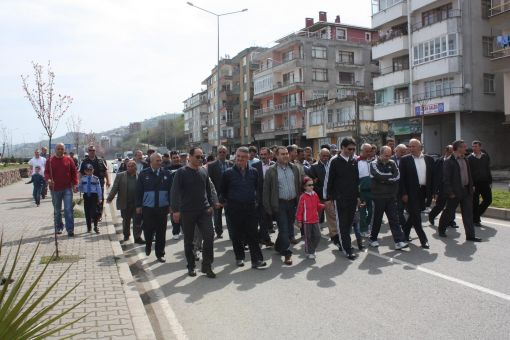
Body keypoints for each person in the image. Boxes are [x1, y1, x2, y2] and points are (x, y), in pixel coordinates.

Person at [170, 147, 216, 278]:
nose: (200, 159)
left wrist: (211, 205)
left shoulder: (203, 171)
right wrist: (176, 211)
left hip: (204, 210)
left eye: (202, 157)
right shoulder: (181, 172)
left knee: (209, 236)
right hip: (187, 212)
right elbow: (175, 192)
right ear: (189, 157)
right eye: (197, 157)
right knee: (189, 241)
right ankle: (191, 266)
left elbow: (208, 189)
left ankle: (207, 266)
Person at [221, 147, 266, 268]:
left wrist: (256, 201)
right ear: (235, 157)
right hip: (234, 209)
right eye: (238, 156)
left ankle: (256, 260)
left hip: (250, 208)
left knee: (253, 234)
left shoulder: (254, 172)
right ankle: (239, 257)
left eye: (243, 157)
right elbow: (223, 191)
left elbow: (257, 188)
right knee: (236, 235)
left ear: (247, 158)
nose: (240, 159)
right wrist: (227, 203)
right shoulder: (228, 173)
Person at [263, 146, 303, 265]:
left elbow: (298, 185)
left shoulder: (295, 168)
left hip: (292, 203)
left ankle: (278, 246)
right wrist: (268, 208)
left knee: (287, 228)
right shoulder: (271, 171)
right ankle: (287, 253)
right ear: (276, 156)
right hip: (279, 204)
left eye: (286, 153)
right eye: (282, 154)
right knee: (284, 230)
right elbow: (266, 191)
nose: (285, 156)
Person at [438, 140, 481, 242]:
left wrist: (471, 186)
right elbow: (446, 179)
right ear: (457, 148)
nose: (465, 148)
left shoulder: (465, 159)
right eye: (463, 147)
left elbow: (469, 175)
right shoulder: (449, 161)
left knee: (468, 214)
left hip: (466, 191)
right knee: (449, 212)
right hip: (454, 192)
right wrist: (450, 192)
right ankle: (441, 229)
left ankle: (470, 236)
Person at [325, 137, 360, 260]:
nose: (352, 151)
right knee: (342, 224)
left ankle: (342, 242)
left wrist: (358, 197)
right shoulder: (334, 161)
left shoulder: (354, 160)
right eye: (349, 149)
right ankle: (347, 249)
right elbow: (328, 180)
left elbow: (357, 180)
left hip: (352, 198)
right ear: (343, 148)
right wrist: (328, 197)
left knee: (349, 223)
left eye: (354, 149)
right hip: (339, 198)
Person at [369, 146, 408, 250]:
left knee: (394, 219)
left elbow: (397, 176)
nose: (388, 157)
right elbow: (378, 175)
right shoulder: (373, 163)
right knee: (377, 219)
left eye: (389, 155)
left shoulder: (392, 163)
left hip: (391, 196)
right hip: (378, 197)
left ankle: (399, 241)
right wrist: (390, 179)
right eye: (386, 155)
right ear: (380, 154)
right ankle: (373, 239)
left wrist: (385, 180)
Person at [136, 153, 172, 263]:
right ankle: (148, 244)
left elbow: (171, 191)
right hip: (148, 208)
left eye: (160, 160)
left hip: (162, 207)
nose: (159, 162)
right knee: (148, 229)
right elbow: (138, 191)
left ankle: (160, 253)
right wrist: (138, 206)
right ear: (151, 162)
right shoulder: (143, 174)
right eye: (157, 160)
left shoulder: (167, 173)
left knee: (161, 231)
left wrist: (171, 205)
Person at [398, 139, 434, 249]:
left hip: (424, 191)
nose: (411, 148)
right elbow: (401, 179)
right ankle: (423, 240)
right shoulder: (405, 160)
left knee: (414, 214)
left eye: (413, 146)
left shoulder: (429, 159)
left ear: (420, 147)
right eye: (410, 146)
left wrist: (433, 192)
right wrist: (403, 193)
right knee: (416, 216)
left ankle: (404, 235)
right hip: (410, 192)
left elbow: (432, 177)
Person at [107, 160, 145, 244]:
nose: (130, 168)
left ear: (135, 167)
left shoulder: (140, 176)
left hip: (137, 204)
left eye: (132, 166)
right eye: (129, 166)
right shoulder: (120, 176)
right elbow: (115, 188)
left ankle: (137, 237)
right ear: (126, 167)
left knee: (137, 221)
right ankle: (126, 235)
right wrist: (110, 197)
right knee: (126, 221)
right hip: (125, 203)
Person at [45, 143, 78, 237]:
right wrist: (48, 179)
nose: (60, 150)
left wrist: (75, 184)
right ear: (55, 150)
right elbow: (46, 172)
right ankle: (59, 227)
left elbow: (74, 172)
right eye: (58, 148)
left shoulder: (69, 160)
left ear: (64, 150)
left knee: (68, 209)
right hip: (55, 189)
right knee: (57, 210)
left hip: (67, 188)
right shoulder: (50, 160)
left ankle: (70, 229)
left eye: (61, 149)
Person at [309, 148, 339, 248]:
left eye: (327, 156)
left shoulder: (332, 165)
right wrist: (320, 189)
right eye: (324, 156)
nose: (326, 158)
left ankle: (334, 236)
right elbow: (312, 183)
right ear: (319, 155)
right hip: (318, 197)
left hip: (329, 197)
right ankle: (314, 234)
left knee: (332, 216)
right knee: (316, 217)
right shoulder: (314, 167)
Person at [207, 145, 233, 239]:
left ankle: (232, 233)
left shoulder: (231, 164)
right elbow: (209, 182)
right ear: (217, 153)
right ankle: (218, 232)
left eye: (224, 152)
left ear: (227, 153)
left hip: (229, 195)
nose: (222, 153)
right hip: (217, 194)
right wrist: (212, 196)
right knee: (217, 216)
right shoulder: (211, 165)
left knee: (230, 215)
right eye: (220, 152)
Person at [79, 145, 110, 223]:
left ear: (95, 151)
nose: (92, 152)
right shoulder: (84, 161)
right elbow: (80, 173)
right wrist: (80, 183)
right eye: (90, 150)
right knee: (90, 201)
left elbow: (105, 171)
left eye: (93, 150)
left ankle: (99, 215)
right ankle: (92, 215)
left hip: (99, 183)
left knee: (100, 199)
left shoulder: (100, 160)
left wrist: (108, 181)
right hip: (89, 185)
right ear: (88, 151)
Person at [296, 176, 324, 259]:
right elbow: (299, 210)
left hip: (315, 219)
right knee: (308, 237)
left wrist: (324, 205)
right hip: (306, 221)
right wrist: (299, 221)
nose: (311, 186)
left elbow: (317, 205)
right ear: (304, 187)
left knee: (318, 236)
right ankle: (309, 252)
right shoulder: (303, 197)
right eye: (309, 185)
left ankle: (311, 249)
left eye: (312, 184)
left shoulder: (315, 194)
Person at [251, 147, 275, 246]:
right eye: (261, 155)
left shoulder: (274, 165)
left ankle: (260, 237)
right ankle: (266, 239)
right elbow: (253, 183)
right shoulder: (255, 166)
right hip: (260, 197)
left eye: (265, 154)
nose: (263, 157)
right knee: (263, 218)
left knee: (269, 219)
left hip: (272, 197)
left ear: (269, 155)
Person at [429, 145, 457, 228]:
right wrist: (435, 191)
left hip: (452, 187)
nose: (452, 153)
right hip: (442, 188)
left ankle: (451, 221)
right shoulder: (439, 161)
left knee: (451, 205)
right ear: (446, 151)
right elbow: (436, 177)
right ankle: (432, 216)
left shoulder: (455, 160)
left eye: (453, 151)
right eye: (450, 151)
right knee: (440, 205)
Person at [468, 140, 492, 227]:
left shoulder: (485, 156)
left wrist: (490, 181)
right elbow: (469, 173)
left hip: (485, 182)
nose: (474, 148)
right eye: (473, 146)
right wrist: (471, 184)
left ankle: (475, 215)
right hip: (475, 184)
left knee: (488, 200)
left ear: (480, 147)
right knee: (475, 202)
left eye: (476, 146)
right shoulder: (470, 158)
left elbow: (487, 169)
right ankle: (476, 220)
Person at [78, 164, 103, 234]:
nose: (89, 172)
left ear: (93, 170)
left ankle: (95, 225)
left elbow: (99, 189)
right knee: (87, 212)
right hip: (86, 196)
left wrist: (100, 198)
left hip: (94, 196)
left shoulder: (96, 179)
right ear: (85, 171)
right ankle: (89, 227)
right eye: (87, 170)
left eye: (90, 170)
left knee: (94, 212)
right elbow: (80, 187)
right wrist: (78, 188)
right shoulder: (83, 178)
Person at [358, 143, 373, 237]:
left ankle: (367, 226)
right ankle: (363, 229)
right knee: (362, 212)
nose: (368, 153)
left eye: (370, 151)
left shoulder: (373, 162)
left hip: (372, 191)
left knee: (371, 211)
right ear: (362, 151)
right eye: (366, 151)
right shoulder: (357, 162)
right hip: (362, 192)